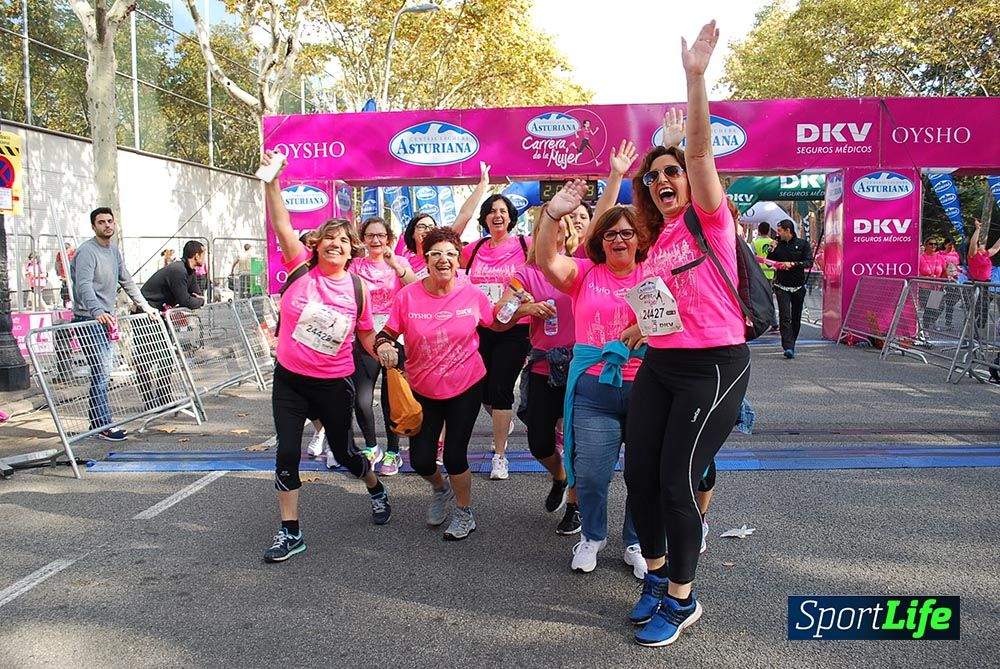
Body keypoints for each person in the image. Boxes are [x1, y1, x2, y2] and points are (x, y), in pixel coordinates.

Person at [624, 21, 752, 647]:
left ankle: (683, 597)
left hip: (715, 366)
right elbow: (660, 305)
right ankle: (652, 576)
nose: (664, 181)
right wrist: (638, 324)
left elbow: (700, 152)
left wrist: (695, 79)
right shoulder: (653, 241)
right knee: (640, 474)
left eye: (671, 172)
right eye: (654, 177)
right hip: (662, 366)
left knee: (678, 478)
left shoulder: (709, 219)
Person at [261, 151, 390, 564]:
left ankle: (374, 486)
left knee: (347, 453)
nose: (335, 243)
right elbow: (282, 225)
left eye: (342, 240)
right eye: (328, 238)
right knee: (287, 451)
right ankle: (290, 531)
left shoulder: (357, 289)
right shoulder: (299, 269)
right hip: (291, 380)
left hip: (334, 384)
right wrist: (272, 181)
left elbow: (367, 334)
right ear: (315, 246)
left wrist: (388, 353)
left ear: (351, 250)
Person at [536, 191, 647, 578]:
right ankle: (593, 536)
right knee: (593, 474)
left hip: (647, 389)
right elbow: (546, 259)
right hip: (593, 392)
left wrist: (643, 328)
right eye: (611, 234)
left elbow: (675, 320)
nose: (619, 239)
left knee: (642, 474)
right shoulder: (585, 274)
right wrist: (553, 214)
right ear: (600, 241)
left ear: (640, 238)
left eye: (627, 233)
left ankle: (635, 540)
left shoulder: (654, 273)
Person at [376, 227, 497, 540]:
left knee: (456, 455)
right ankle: (440, 489)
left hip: (466, 384)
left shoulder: (472, 293)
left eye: (451, 254)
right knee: (420, 459)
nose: (444, 260)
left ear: (458, 260)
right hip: (422, 388)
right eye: (436, 254)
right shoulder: (408, 296)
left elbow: (497, 320)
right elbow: (386, 333)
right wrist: (385, 346)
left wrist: (524, 307)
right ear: (425, 259)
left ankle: (464, 512)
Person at [495, 209, 580, 533]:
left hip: (581, 366)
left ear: (566, 231)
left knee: (577, 443)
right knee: (539, 442)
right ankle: (558, 476)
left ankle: (575, 505)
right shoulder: (526, 274)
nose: (553, 232)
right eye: (547, 225)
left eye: (559, 226)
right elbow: (501, 316)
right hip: (544, 366)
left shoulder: (580, 265)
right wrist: (525, 308)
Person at [454, 173, 531, 480]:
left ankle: (500, 455)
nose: (497, 215)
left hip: (515, 326)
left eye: (503, 211)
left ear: (511, 217)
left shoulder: (525, 245)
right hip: (479, 328)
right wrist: (480, 190)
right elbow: (455, 227)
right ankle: (502, 417)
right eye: (491, 211)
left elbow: (543, 271)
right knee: (481, 388)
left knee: (500, 388)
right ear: (484, 218)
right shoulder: (472, 249)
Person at [70, 207, 160, 442]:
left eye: (110, 221)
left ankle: (98, 423)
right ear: (93, 227)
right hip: (88, 319)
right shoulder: (87, 252)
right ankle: (104, 424)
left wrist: (145, 306)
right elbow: (84, 286)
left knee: (102, 373)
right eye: (101, 222)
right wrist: (97, 311)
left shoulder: (114, 251)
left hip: (106, 318)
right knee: (102, 372)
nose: (107, 225)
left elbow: (127, 280)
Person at [349, 216, 415, 475]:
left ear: (389, 239)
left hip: (394, 337)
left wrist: (395, 264)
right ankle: (371, 446)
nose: (376, 240)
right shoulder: (354, 265)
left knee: (393, 399)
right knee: (361, 399)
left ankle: (393, 451)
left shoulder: (400, 263)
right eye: (370, 236)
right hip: (364, 336)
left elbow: (415, 287)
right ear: (363, 239)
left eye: (381, 236)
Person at [767, 219, 814, 358]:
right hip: (782, 286)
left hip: (798, 287)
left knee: (796, 317)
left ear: (788, 230)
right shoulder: (778, 245)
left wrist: (793, 264)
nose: (778, 233)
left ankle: (792, 342)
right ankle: (787, 346)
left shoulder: (802, 244)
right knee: (784, 316)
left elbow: (809, 262)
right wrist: (771, 248)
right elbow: (770, 263)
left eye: (780, 231)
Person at [141, 240, 207, 311]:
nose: (204, 258)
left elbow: (196, 294)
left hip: (161, 310)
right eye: (203, 254)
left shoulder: (190, 271)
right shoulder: (178, 271)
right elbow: (185, 301)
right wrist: (202, 301)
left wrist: (198, 299)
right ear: (197, 256)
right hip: (147, 310)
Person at [937, 238, 962, 328]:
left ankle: (948, 323)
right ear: (945, 245)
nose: (951, 246)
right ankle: (931, 322)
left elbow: (956, 266)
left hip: (953, 282)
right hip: (942, 281)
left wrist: (959, 271)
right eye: (949, 244)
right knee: (938, 303)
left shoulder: (955, 254)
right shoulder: (940, 254)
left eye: (952, 244)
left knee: (950, 304)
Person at [56, 242, 75, 308]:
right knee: (65, 290)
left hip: (72, 275)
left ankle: (72, 303)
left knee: (73, 289)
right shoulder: (60, 254)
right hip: (64, 275)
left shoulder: (74, 253)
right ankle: (66, 304)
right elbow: (58, 264)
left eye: (67, 250)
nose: (65, 253)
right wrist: (59, 274)